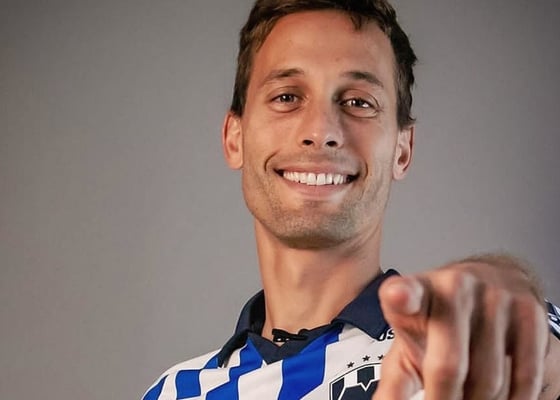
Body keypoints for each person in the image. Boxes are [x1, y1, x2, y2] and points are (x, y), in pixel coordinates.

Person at [142, 1, 560, 399]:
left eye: (359, 102)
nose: (321, 130)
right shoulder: (175, 392)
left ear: (402, 150)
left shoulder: (451, 352)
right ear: (235, 137)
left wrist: (511, 308)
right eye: (287, 97)